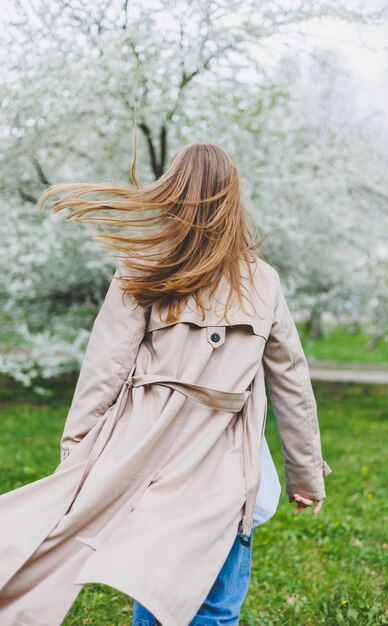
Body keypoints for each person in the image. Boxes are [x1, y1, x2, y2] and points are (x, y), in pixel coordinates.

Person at [0, 142, 332, 626]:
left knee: (154, 580)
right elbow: (293, 384)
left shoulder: (143, 263)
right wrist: (305, 475)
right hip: (224, 460)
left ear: (172, 193)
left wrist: (77, 453)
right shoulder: (262, 280)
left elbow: (105, 367)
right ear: (232, 199)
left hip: (145, 451)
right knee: (215, 606)